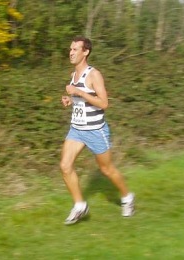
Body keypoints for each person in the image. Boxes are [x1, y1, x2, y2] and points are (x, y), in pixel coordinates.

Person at [60, 36, 134, 225]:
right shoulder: (73, 74)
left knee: (106, 169)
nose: (71, 52)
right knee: (65, 166)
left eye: (75, 49)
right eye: (70, 49)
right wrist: (70, 100)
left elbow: (104, 103)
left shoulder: (94, 74)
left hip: (95, 130)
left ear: (86, 52)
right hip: (76, 129)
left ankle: (127, 197)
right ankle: (80, 206)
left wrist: (79, 93)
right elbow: (81, 100)